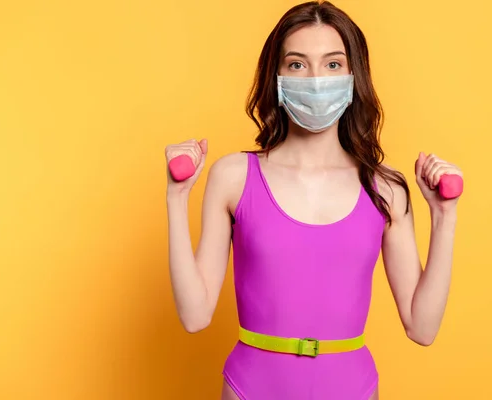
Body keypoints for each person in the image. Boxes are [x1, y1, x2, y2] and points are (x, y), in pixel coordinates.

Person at [164, 1, 463, 399]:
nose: (317, 79)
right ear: (277, 76)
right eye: (298, 64)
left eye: (333, 64)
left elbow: (422, 328)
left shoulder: (385, 191)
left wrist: (444, 216)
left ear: (355, 76)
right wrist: (176, 196)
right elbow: (194, 315)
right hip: (251, 388)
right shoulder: (233, 177)